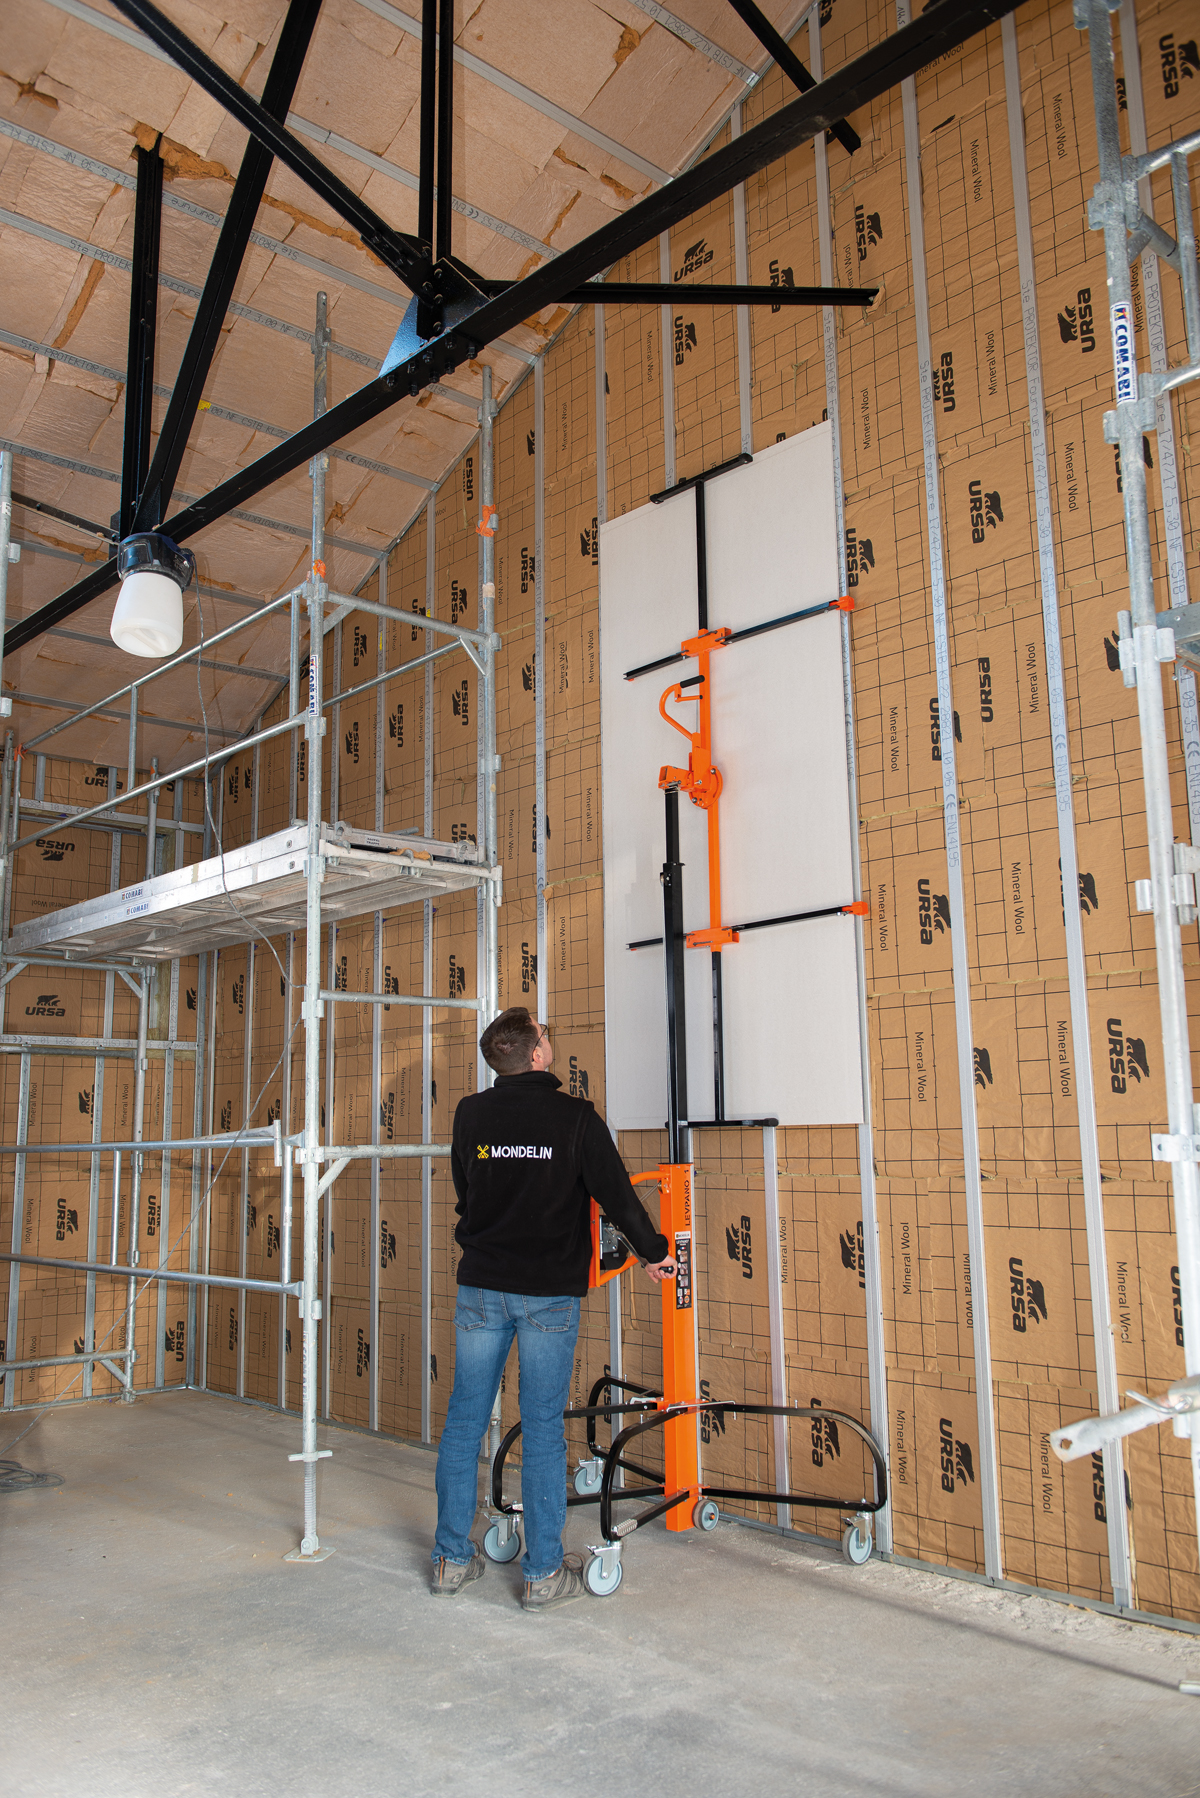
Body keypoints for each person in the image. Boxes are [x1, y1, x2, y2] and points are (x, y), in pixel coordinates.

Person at [430, 1006, 675, 1610]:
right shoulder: (575, 1118)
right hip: (547, 1296)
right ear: (536, 1053)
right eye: (545, 1033)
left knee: (464, 1421)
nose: (548, 1038)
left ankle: (451, 1561)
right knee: (542, 1428)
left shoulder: (470, 1114)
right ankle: (542, 1574)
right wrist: (653, 1253)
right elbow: (617, 1196)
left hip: (481, 1287)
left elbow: (467, 1191)